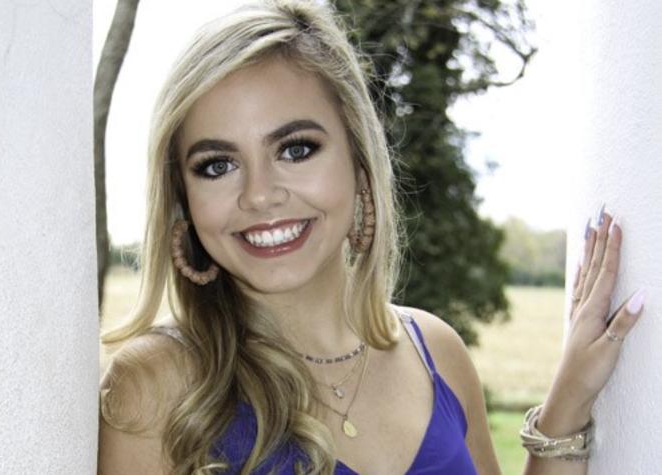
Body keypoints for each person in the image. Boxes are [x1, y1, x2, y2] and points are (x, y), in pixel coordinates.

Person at [97, 1, 646, 473]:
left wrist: (569, 399)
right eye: (217, 165)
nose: (260, 195)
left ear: (360, 167)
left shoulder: (437, 351)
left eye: (295, 149)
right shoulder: (154, 386)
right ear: (184, 202)